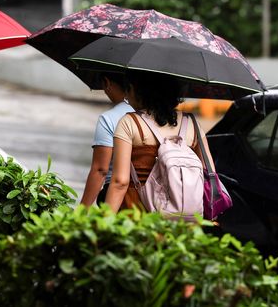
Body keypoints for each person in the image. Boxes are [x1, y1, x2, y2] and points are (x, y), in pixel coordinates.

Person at [104, 71, 214, 213]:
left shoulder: (129, 122)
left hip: (138, 213)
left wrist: (104, 221)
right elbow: (208, 172)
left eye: (128, 89)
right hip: (184, 218)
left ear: (137, 90)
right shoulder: (192, 124)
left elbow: (120, 182)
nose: (126, 96)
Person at [80, 73, 133, 206]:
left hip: (117, 198)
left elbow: (100, 170)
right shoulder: (157, 115)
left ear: (106, 82)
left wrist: (82, 211)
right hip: (153, 197)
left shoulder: (109, 118)